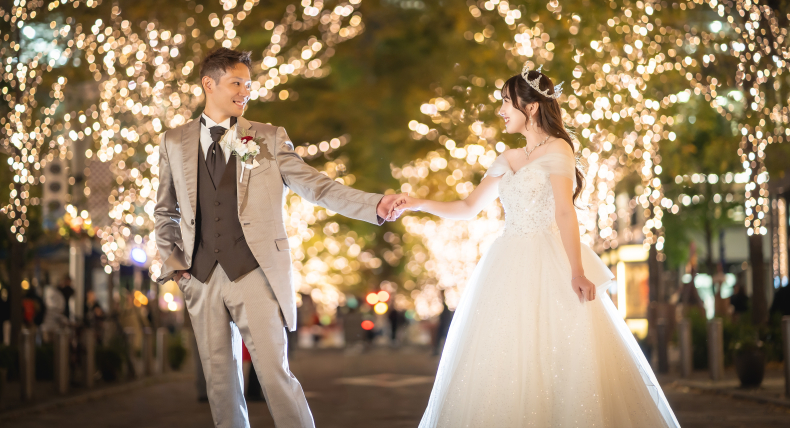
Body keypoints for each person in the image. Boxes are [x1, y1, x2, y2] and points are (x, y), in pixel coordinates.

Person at [393, 66, 680, 427]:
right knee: (503, 352)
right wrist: (415, 203)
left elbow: (564, 210)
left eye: (506, 102)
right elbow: (467, 208)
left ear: (530, 107)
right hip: (506, 262)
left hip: (549, 261)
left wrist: (577, 271)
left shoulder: (558, 150)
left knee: (555, 352)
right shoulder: (507, 158)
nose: (500, 111)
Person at [154, 48, 403, 428]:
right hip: (200, 277)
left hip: (255, 272)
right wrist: (177, 269)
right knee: (220, 383)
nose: (245, 92)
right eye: (237, 83)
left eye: (249, 85)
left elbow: (316, 186)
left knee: (275, 376)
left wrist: (374, 204)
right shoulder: (174, 141)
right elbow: (165, 210)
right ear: (209, 83)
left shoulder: (267, 137)